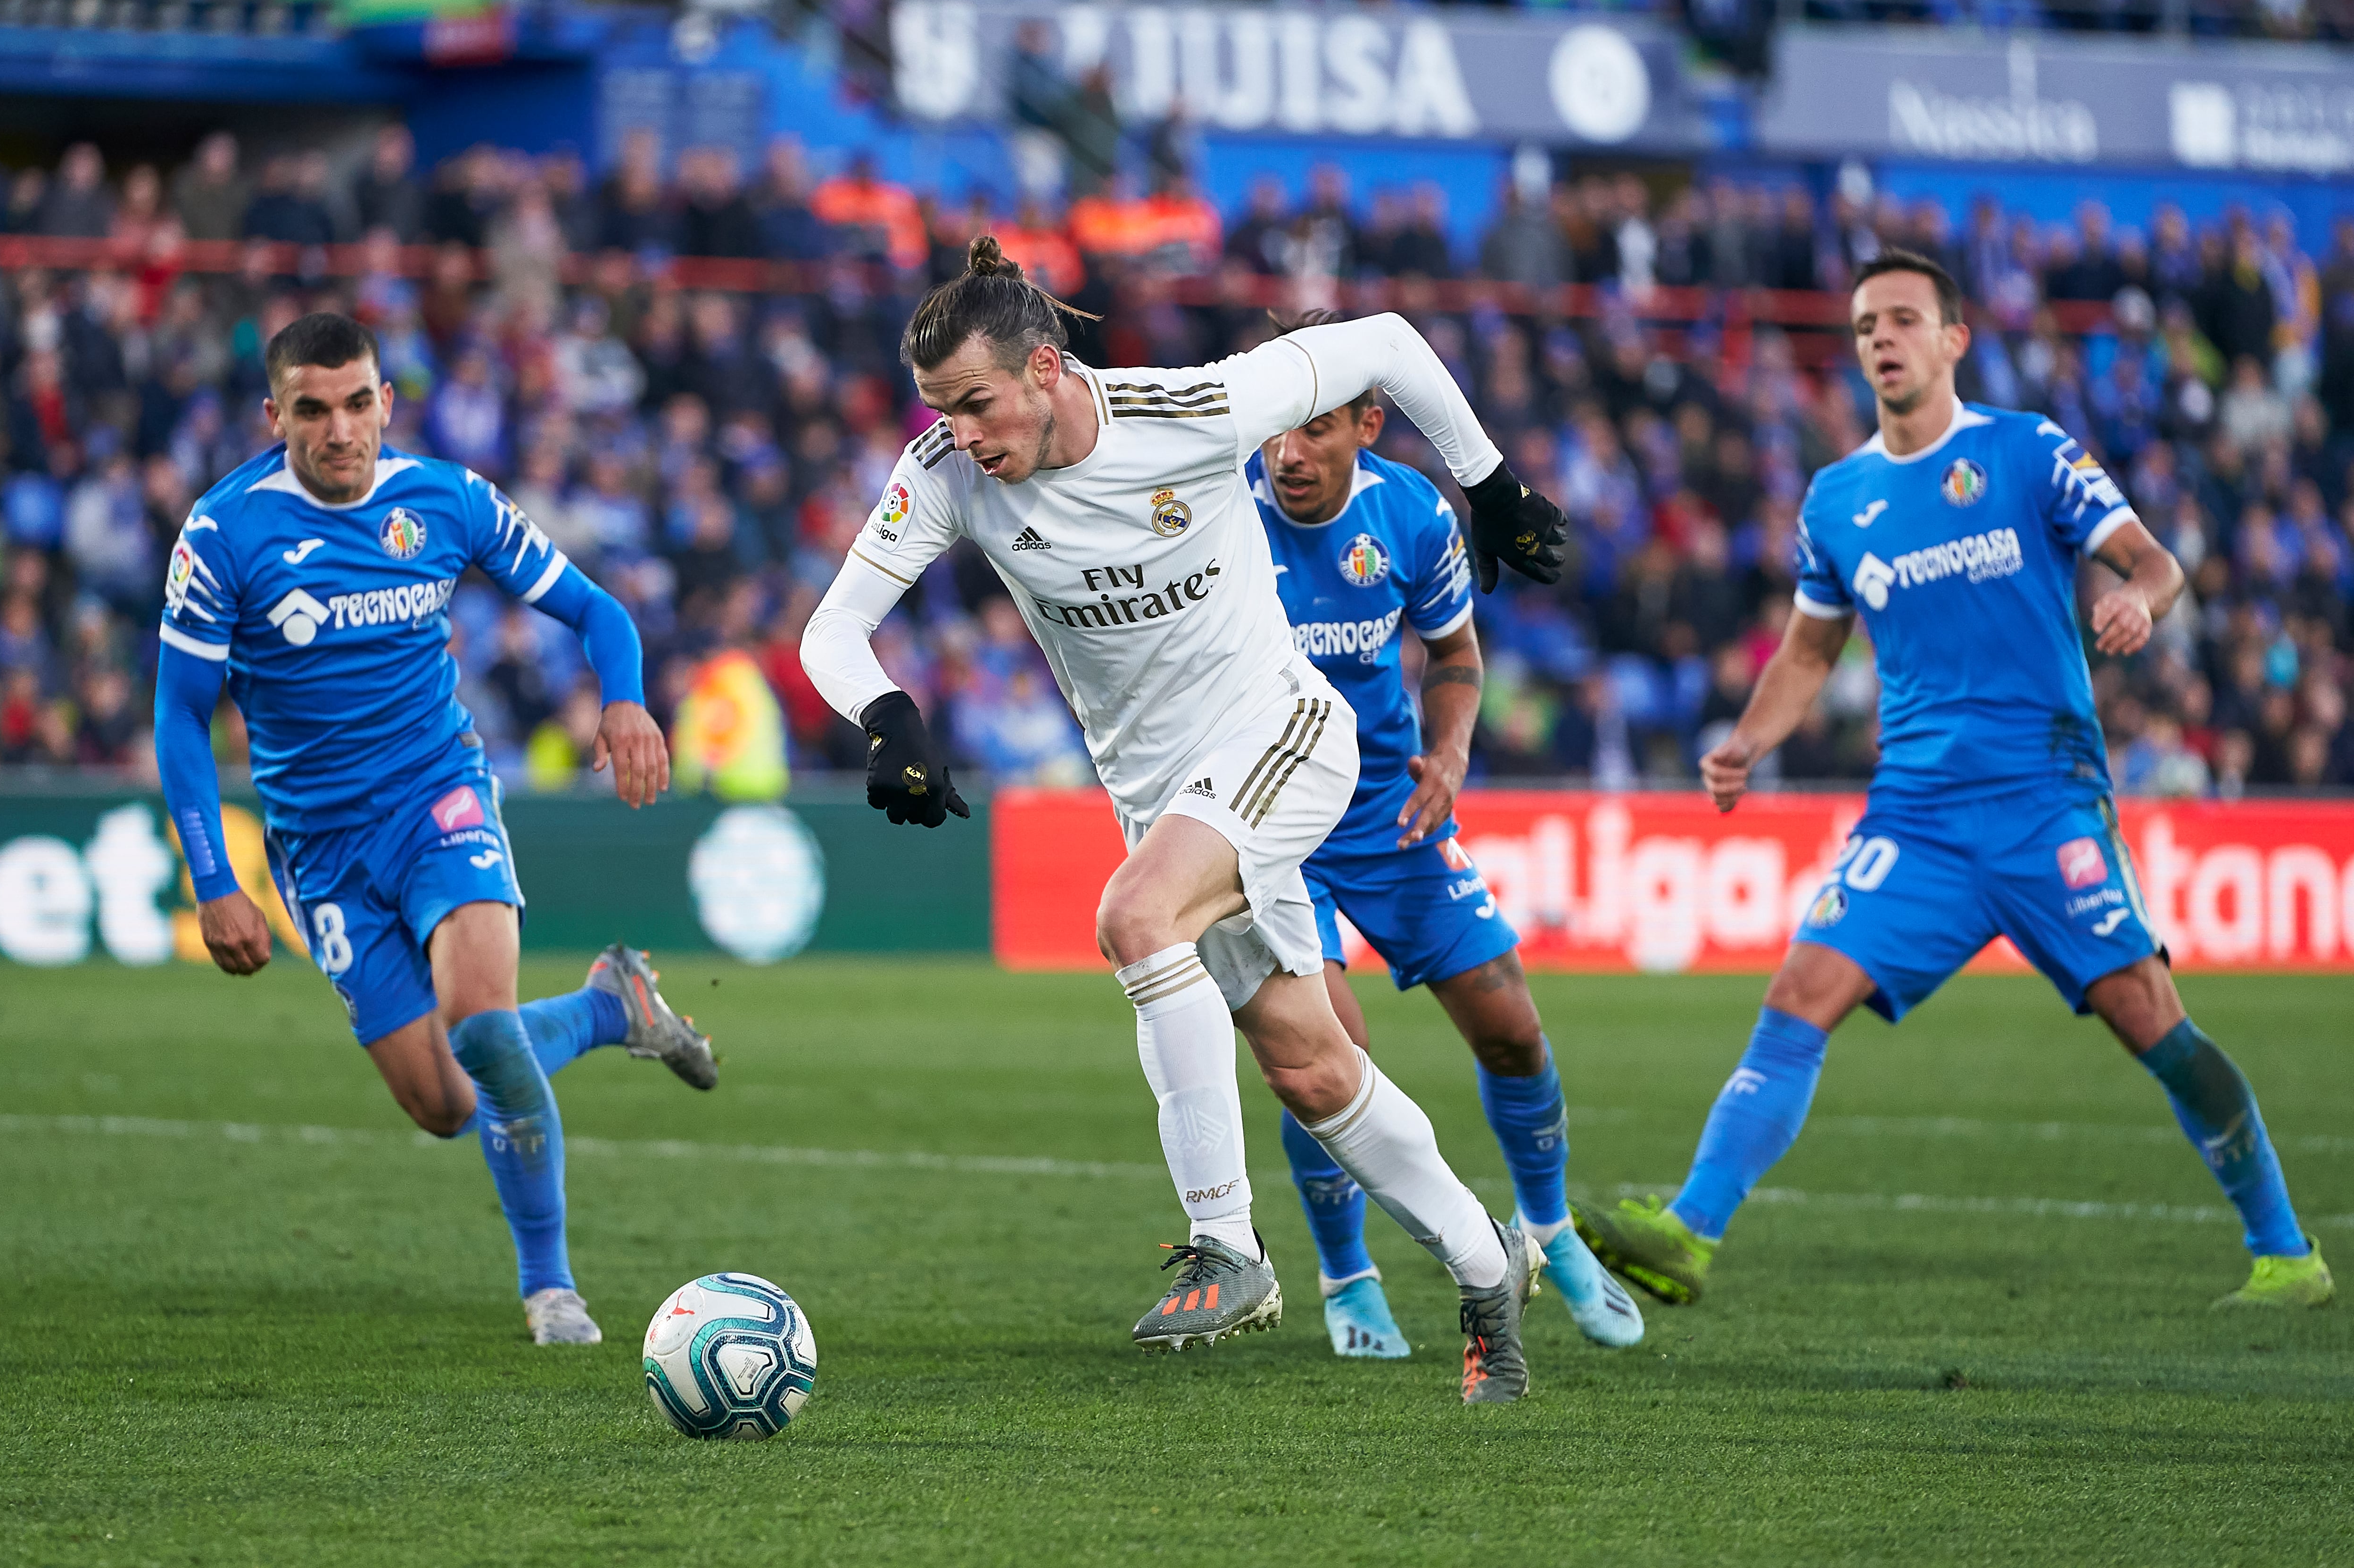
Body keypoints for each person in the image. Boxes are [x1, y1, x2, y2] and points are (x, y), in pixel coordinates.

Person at [801, 238, 1573, 1403]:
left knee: (1131, 914)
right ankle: (1484, 1273)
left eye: (974, 403)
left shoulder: (1191, 407)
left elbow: (1384, 345)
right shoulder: (947, 475)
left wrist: (1488, 478)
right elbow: (831, 631)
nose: (960, 433)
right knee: (1314, 1072)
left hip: (1287, 733)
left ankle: (1230, 1246)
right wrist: (888, 715)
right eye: (941, 412)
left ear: (1048, 367)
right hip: (1168, 799)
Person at [1574, 252, 2332, 1314]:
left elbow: (2153, 558)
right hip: (1918, 819)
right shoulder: (1838, 500)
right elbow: (1806, 653)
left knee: (2149, 1015)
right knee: (1800, 989)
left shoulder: (2026, 452)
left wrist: (2139, 602)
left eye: (1900, 319)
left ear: (1952, 338)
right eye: (1862, 326)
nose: (1879, 338)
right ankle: (1690, 1230)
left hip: (2043, 799)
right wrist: (1746, 739)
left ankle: (2285, 1248)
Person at [152, 314, 721, 1348]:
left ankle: (551, 1290)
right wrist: (212, 876)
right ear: (274, 414)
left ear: (387, 402)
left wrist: (628, 698)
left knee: (483, 1023)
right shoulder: (225, 532)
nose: (341, 429)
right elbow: (180, 713)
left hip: (439, 797)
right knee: (446, 1101)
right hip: (319, 851)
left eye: (359, 402)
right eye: (314, 409)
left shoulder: (448, 500)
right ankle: (607, 1007)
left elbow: (601, 611)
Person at [1245, 340, 1643, 1360]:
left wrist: (1450, 752)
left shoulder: (1413, 514)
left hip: (1389, 805)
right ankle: (1347, 1275)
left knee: (1509, 1020)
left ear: (1367, 425)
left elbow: (1455, 653)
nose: (1289, 452)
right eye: (1278, 428)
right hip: (1262, 814)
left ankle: (1550, 1230)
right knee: (1327, 1051)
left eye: (1317, 428)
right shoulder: (1215, 509)